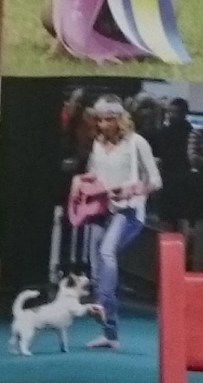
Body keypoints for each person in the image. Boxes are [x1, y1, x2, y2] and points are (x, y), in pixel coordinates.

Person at [68, 95, 161, 346]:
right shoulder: (98, 144)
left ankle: (100, 302)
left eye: (108, 120)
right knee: (96, 263)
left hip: (128, 211)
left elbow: (155, 180)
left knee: (107, 251)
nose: (103, 125)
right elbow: (94, 174)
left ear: (120, 119)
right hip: (101, 209)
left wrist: (131, 189)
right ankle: (110, 333)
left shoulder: (137, 143)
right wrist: (80, 180)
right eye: (99, 120)